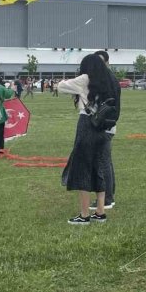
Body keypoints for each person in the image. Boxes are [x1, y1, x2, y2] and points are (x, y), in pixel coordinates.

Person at [58, 54, 119, 224]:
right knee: (98, 167)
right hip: (103, 126)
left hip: (87, 123)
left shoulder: (85, 79)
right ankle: (100, 212)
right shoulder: (109, 79)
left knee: (82, 168)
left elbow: (61, 87)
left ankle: (84, 214)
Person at [92, 50, 121, 210]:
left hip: (105, 126)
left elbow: (110, 107)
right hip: (108, 126)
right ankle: (110, 194)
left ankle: (107, 198)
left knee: (103, 162)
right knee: (106, 161)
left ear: (107, 62)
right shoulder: (108, 78)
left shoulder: (107, 80)